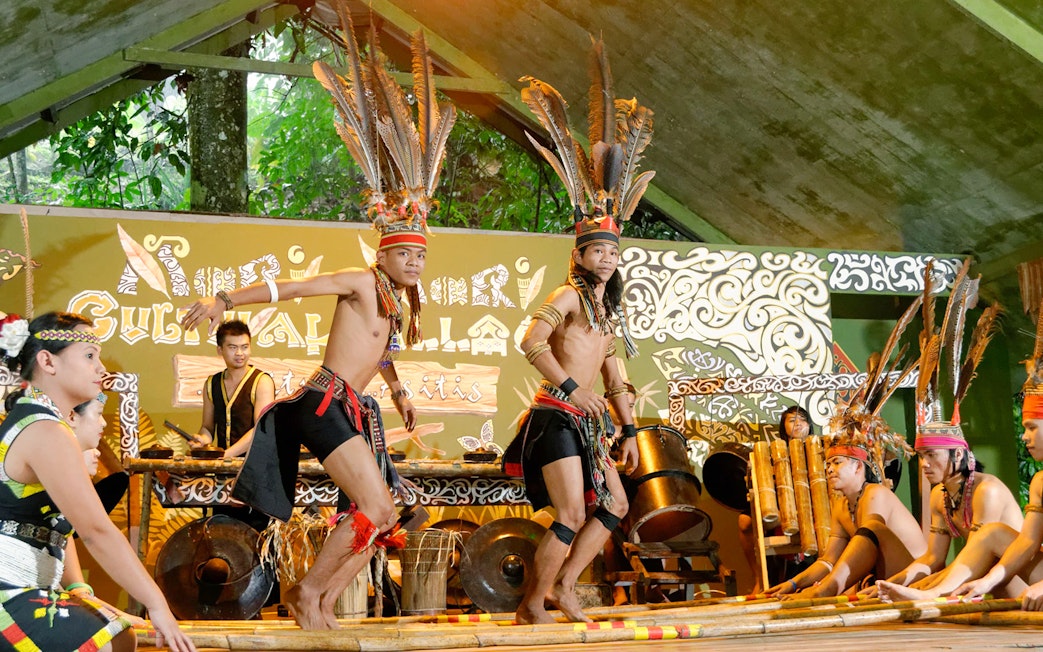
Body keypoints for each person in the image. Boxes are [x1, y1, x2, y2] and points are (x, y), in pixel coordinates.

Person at [182, 10, 454, 630]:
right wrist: (227, 299)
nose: (413, 261)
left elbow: (379, 353)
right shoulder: (361, 280)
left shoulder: (395, 297)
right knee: (376, 505)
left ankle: (323, 599)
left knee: (382, 515)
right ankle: (308, 593)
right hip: (325, 403)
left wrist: (400, 392)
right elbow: (293, 286)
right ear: (382, 252)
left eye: (419, 254)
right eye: (403, 253)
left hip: (352, 407)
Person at [0, 311, 194, 651]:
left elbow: (64, 528)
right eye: (90, 356)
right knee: (111, 639)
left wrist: (79, 592)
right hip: (8, 593)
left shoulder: (39, 421)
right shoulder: (44, 430)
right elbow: (96, 531)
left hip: (28, 588)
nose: (101, 369)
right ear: (47, 361)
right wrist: (158, 605)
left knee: (119, 633)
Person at [739, 405, 813, 594]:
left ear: (809, 425)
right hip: (782, 507)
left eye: (802, 419)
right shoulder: (775, 452)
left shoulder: (817, 448)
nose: (798, 423)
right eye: (791, 420)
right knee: (745, 521)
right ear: (783, 427)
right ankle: (759, 578)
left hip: (811, 508)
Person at [192, 319, 275, 459]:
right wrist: (203, 440)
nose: (239, 353)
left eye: (244, 347)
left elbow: (260, 429)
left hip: (255, 464)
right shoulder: (212, 383)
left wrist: (226, 455)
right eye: (232, 347)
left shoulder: (262, 381)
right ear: (220, 350)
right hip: (224, 466)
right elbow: (207, 427)